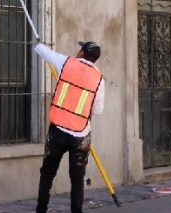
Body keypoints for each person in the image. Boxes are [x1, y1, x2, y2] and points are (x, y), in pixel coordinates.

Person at [35, 40, 105, 213]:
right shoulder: (99, 79)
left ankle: (41, 210)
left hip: (58, 130)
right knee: (77, 179)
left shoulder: (66, 63)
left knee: (47, 173)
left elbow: (45, 53)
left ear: (82, 52)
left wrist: (38, 44)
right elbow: (98, 110)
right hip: (81, 135)